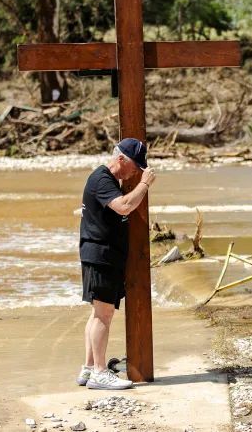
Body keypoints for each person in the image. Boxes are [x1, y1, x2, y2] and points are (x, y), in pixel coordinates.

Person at [76, 138, 156, 390]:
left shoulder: (107, 181)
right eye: (135, 166)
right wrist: (144, 184)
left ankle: (89, 368)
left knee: (97, 313)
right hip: (101, 256)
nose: (135, 171)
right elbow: (124, 207)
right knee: (104, 314)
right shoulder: (102, 179)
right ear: (121, 159)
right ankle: (100, 373)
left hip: (99, 255)